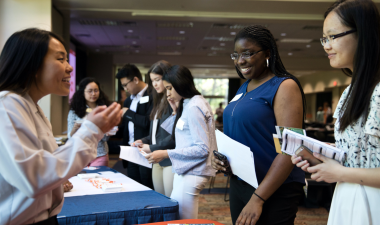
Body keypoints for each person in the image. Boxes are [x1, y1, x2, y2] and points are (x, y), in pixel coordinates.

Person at [0, 28, 122, 225]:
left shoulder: (31, 107)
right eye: (60, 59)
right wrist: (91, 130)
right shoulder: (7, 105)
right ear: (33, 64)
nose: (70, 67)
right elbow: (34, 178)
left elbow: (45, 166)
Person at [292, 1, 380, 224]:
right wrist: (321, 154)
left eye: (333, 36)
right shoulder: (352, 90)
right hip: (348, 194)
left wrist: (339, 173)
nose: (326, 46)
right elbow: (361, 152)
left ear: (364, 34)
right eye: (324, 39)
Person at [211, 25, 306, 225]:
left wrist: (258, 198)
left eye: (247, 53)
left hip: (274, 187)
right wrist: (221, 160)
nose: (240, 61)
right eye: (236, 55)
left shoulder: (284, 85)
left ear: (267, 54)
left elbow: (291, 149)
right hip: (241, 182)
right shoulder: (244, 87)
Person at [145, 65, 216, 219]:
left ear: (180, 83)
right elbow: (178, 132)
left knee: (183, 220)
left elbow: (202, 149)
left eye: (170, 88)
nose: (168, 93)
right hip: (187, 170)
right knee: (181, 219)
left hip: (193, 171)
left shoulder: (194, 106)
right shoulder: (188, 103)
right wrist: (175, 111)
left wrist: (165, 153)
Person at [133, 60, 175, 197]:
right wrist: (143, 140)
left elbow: (173, 136)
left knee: (171, 201)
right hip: (156, 159)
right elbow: (155, 134)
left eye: (157, 79)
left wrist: (151, 148)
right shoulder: (158, 102)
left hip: (169, 159)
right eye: (152, 81)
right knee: (161, 200)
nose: (154, 84)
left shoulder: (173, 102)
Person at [116, 63, 154, 189]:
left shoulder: (153, 95)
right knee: (133, 186)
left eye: (126, 85)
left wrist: (128, 113)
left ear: (136, 80)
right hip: (130, 150)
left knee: (147, 186)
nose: (125, 89)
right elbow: (128, 126)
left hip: (145, 151)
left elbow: (149, 123)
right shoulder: (128, 100)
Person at [68, 77, 112, 166]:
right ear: (82, 92)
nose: (93, 94)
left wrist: (102, 128)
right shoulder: (74, 111)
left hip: (99, 154)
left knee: (99, 180)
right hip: (80, 155)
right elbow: (70, 137)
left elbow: (105, 139)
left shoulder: (104, 110)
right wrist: (75, 129)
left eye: (96, 90)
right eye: (90, 91)